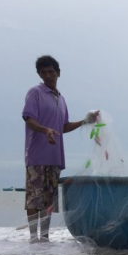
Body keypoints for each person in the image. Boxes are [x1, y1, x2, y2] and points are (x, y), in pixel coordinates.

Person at [22, 55, 98, 243]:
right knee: (34, 198)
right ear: (39, 74)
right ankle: (33, 237)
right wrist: (45, 130)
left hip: (55, 156)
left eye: (51, 72)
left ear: (58, 73)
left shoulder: (61, 99)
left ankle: (45, 238)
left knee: (48, 199)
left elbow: (63, 127)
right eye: (44, 72)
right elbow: (29, 119)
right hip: (37, 155)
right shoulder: (35, 93)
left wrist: (85, 121)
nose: (48, 76)